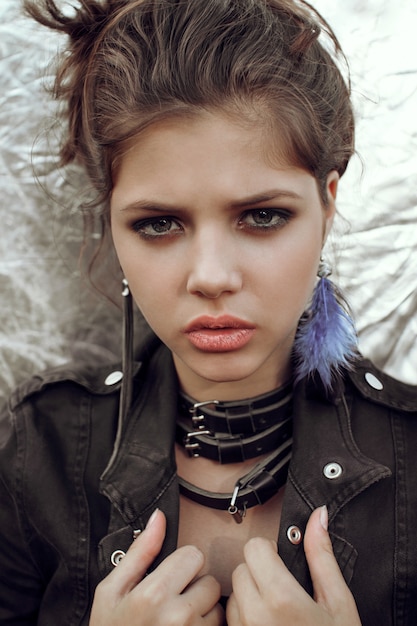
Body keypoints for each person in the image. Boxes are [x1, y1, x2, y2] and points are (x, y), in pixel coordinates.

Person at [0, 0, 416, 624]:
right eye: (159, 224)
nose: (212, 276)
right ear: (111, 225)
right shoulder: (41, 453)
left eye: (263, 216)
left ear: (327, 206)